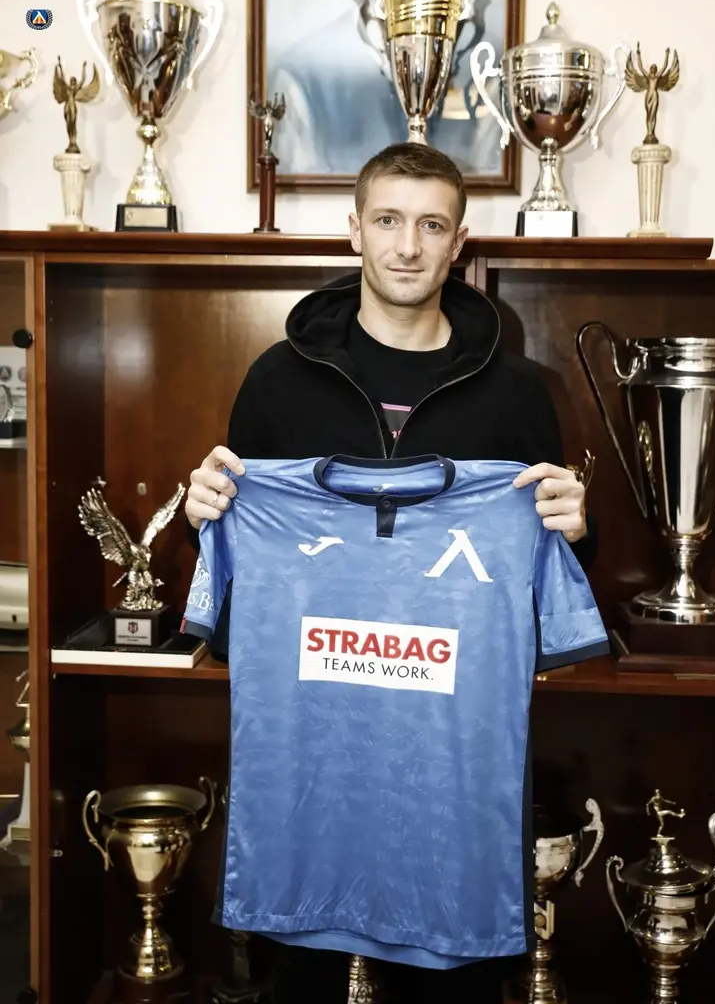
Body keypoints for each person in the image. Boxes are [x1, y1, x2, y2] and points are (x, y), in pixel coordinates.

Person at [185, 142, 596, 1003]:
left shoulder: (518, 393)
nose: (407, 246)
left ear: (458, 243)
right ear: (354, 231)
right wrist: (207, 520)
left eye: (431, 225)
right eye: (388, 220)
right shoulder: (277, 382)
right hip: (314, 767)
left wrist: (573, 529)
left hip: (446, 774)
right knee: (299, 978)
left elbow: (545, 568)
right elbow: (243, 568)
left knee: (452, 984)